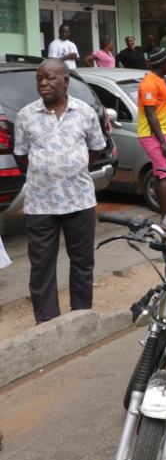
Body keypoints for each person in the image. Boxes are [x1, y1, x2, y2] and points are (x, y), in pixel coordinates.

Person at [13, 60, 106, 324]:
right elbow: (21, 154)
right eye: (39, 78)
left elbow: (96, 147)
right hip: (41, 203)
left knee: (82, 262)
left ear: (65, 82)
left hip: (79, 199)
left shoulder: (85, 112)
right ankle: (47, 322)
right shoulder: (26, 115)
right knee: (41, 264)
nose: (43, 83)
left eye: (50, 78)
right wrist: (46, 172)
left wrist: (74, 168)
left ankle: (81, 316)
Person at [137, 48, 166, 226]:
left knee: (160, 174)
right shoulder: (149, 83)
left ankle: (165, 216)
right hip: (153, 135)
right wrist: (162, 141)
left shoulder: (160, 81)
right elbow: (151, 115)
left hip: (162, 133)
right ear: (161, 63)